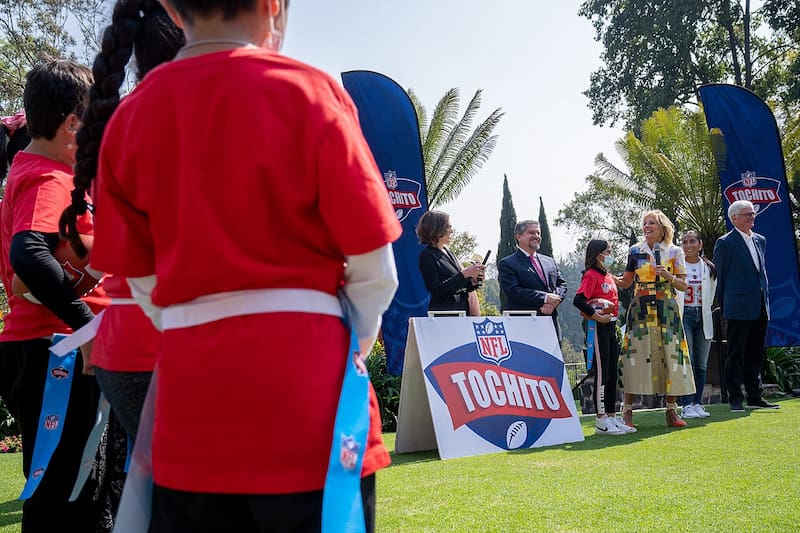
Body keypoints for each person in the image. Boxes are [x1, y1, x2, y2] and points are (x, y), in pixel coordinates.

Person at [88, 1, 402, 531]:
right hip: (311, 399)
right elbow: (376, 269)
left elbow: (140, 277)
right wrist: (350, 341)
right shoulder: (310, 91)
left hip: (191, 408)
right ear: (273, 5)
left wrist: (194, 325)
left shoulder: (132, 116)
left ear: (170, 6)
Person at [60, 0, 185, 446]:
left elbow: (119, 256)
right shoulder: (202, 115)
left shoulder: (121, 123)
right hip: (177, 342)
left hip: (126, 343)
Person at [0, 59, 109, 532]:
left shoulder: (47, 174)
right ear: (72, 124)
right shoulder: (48, 178)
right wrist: (85, 325)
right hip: (58, 355)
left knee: (83, 492)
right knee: (62, 498)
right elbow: (29, 254)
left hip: (61, 353)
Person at [616, 210, 694, 428]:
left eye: (652, 223)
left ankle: (671, 412)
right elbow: (626, 282)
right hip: (640, 308)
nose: (647, 227)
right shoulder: (635, 251)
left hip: (666, 308)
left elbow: (684, 285)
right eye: (645, 223)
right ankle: (627, 413)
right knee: (635, 357)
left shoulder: (674, 251)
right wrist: (604, 275)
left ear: (662, 228)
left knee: (672, 356)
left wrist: (668, 276)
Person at [714, 200, 778, 412]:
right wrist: (722, 305)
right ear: (734, 219)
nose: (752, 217)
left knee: (755, 353)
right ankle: (735, 398)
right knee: (735, 353)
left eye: (752, 214)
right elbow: (720, 276)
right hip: (738, 305)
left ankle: (755, 395)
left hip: (760, 304)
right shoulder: (726, 242)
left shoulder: (760, 240)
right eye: (747, 214)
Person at [572, 239, 635, 435]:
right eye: (608, 251)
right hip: (599, 329)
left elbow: (621, 287)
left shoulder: (608, 276)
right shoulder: (591, 275)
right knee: (602, 373)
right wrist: (596, 315)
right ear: (599, 254)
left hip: (611, 327)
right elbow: (578, 300)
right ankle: (600, 420)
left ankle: (611, 416)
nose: (611, 254)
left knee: (612, 373)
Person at [498, 220, 567, 337]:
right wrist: (545, 298)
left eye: (538, 233)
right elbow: (513, 291)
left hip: (551, 325)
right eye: (531, 233)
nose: (536, 236)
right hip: (524, 327)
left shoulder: (549, 261)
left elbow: (562, 285)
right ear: (519, 236)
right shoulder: (508, 263)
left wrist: (553, 301)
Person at [678, 230, 717, 419]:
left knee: (701, 364)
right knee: (688, 360)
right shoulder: (677, 266)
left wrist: (705, 310)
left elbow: (712, 294)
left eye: (692, 241)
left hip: (703, 315)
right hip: (685, 314)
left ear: (700, 244)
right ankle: (686, 404)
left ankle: (698, 402)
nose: (688, 245)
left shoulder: (708, 268)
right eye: (684, 242)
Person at [416, 210, 485, 314]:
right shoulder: (427, 255)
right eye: (448, 227)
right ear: (437, 228)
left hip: (462, 312)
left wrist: (474, 280)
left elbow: (462, 285)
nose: (451, 231)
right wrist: (465, 273)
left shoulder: (449, 252)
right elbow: (436, 290)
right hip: (443, 314)